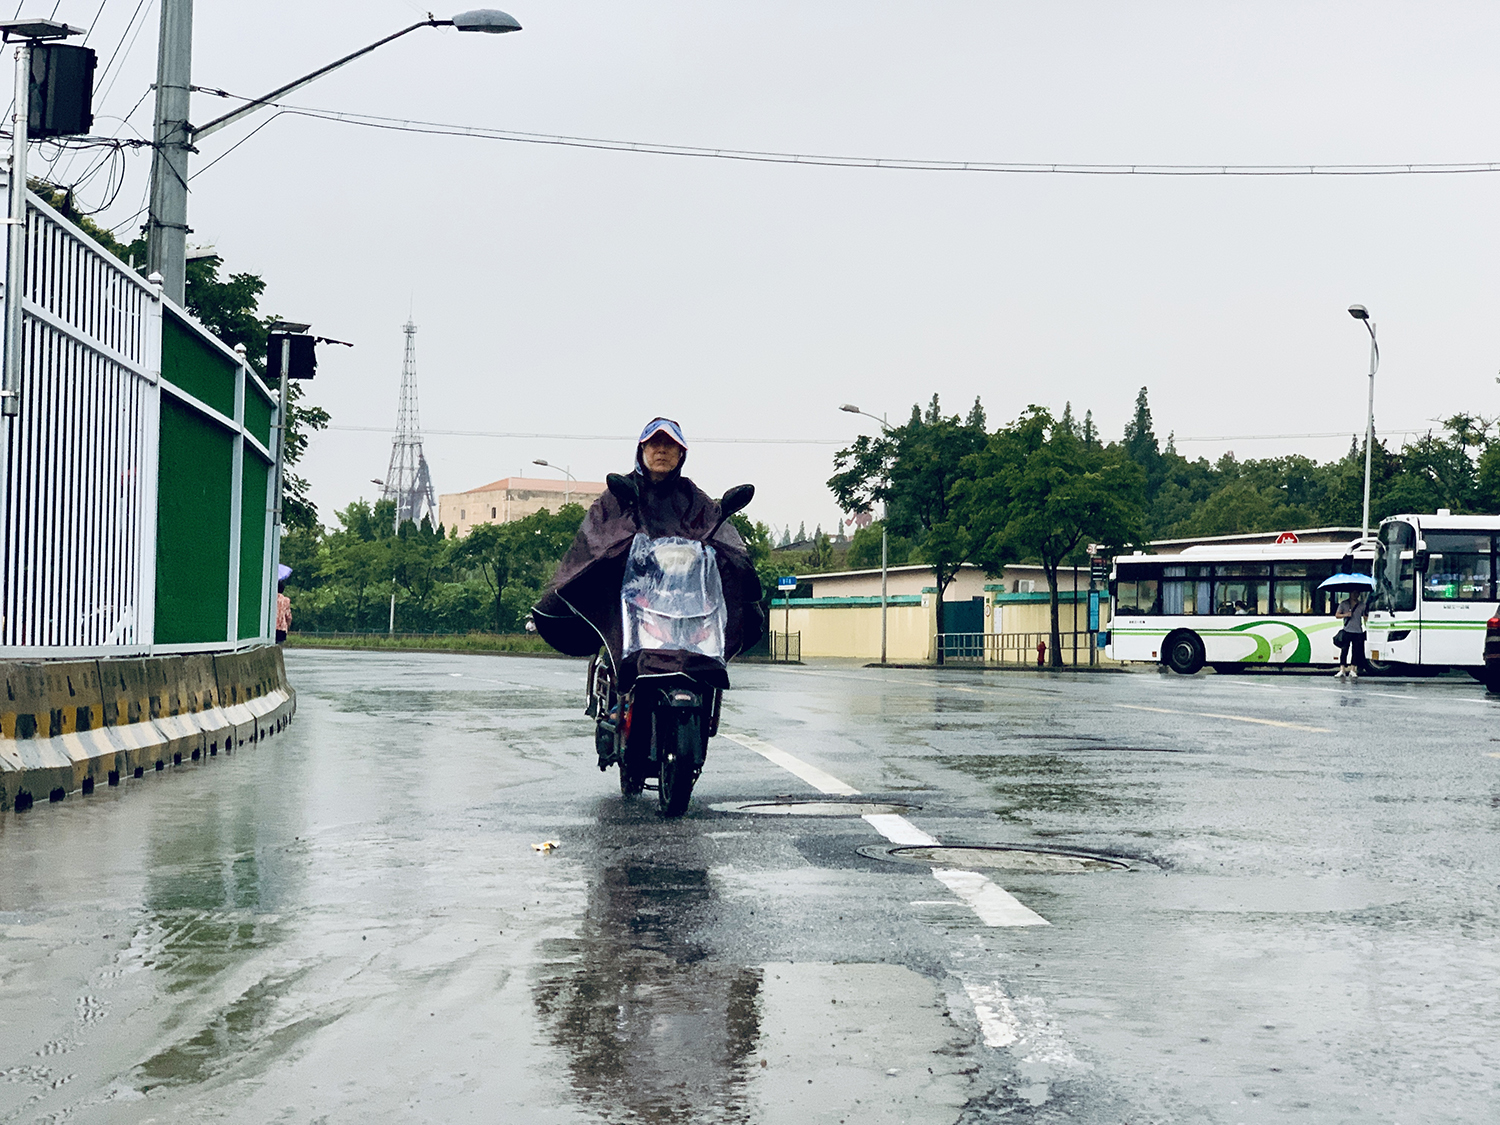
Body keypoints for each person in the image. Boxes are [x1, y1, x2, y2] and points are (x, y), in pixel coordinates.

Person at [1335, 589, 1367, 677]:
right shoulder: (1343, 604)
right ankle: (1342, 669)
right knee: (1344, 650)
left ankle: (1353, 669)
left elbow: (1365, 616)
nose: (1355, 595)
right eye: (1353, 593)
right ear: (1350, 593)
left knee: (1355, 651)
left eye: (1357, 593)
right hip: (1347, 630)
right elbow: (1337, 615)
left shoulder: (1362, 605)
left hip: (1358, 631)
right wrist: (1346, 615)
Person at [275, 579, 292, 644]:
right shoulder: (286, 600)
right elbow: (288, 616)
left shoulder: (269, 598)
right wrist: (287, 625)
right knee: (278, 647)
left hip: (270, 628)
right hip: (282, 628)